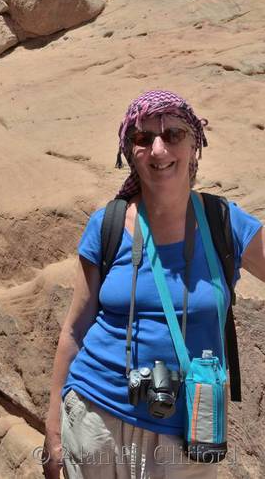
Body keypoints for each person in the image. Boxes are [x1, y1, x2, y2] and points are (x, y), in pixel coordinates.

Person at [43, 90, 265, 479]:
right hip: (96, 416)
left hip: (188, 431)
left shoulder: (223, 223)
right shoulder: (107, 225)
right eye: (143, 139)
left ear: (195, 144)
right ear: (130, 153)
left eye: (173, 135)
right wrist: (53, 433)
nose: (158, 151)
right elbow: (75, 329)